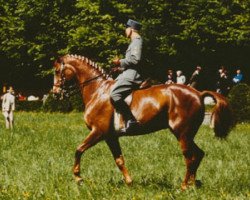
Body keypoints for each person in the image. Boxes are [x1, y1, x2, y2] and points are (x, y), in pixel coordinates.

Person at [110, 19, 143, 133]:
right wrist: (119, 68)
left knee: (114, 94)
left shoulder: (137, 41)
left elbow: (135, 60)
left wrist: (120, 61)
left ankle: (132, 120)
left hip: (132, 75)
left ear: (131, 29)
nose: (125, 31)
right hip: (127, 72)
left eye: (126, 28)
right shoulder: (133, 42)